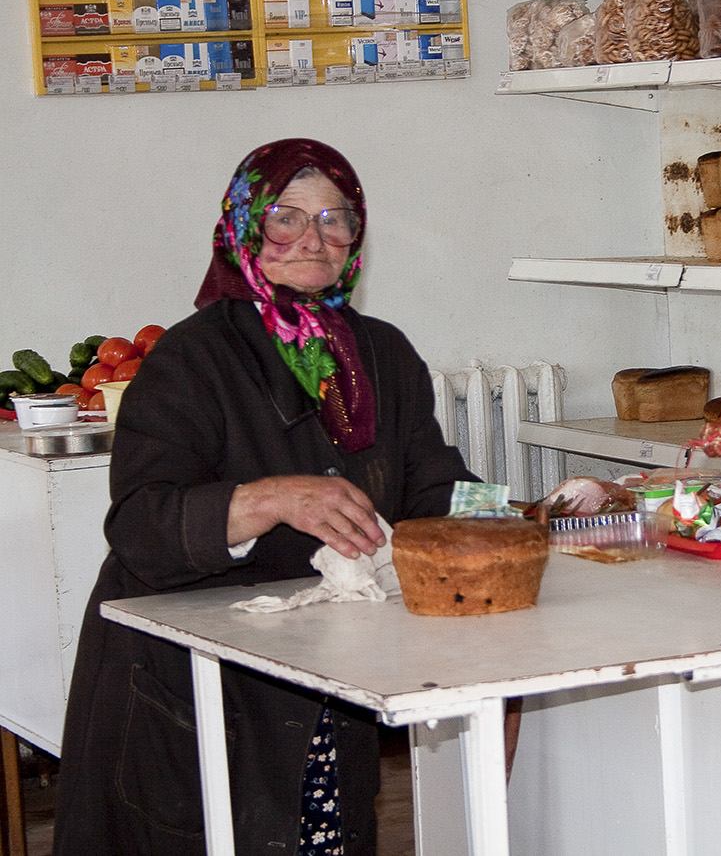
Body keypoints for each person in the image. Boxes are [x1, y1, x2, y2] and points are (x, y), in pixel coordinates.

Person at [54, 138, 477, 855]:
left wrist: (518, 514)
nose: (314, 239)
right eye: (286, 218)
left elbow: (435, 486)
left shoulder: (382, 354)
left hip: (325, 671)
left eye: (336, 219)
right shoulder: (190, 359)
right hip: (193, 681)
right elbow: (140, 525)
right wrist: (267, 499)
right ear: (244, 229)